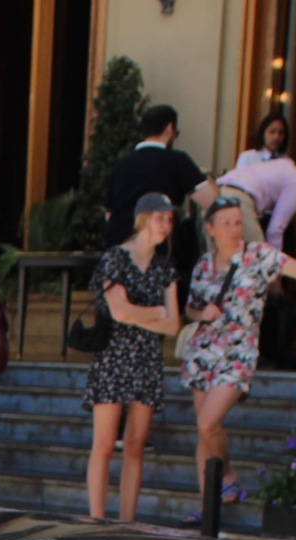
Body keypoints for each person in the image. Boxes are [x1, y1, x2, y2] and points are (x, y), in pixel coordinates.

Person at [181, 196, 296, 505]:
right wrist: (201, 315)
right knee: (205, 429)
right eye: (226, 223)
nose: (234, 228)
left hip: (239, 352)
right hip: (203, 351)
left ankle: (226, 476)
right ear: (211, 228)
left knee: (207, 423)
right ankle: (209, 502)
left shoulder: (258, 255)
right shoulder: (204, 263)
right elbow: (191, 306)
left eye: (238, 222)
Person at [83, 193, 182, 522]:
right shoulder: (115, 258)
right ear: (143, 219)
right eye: (159, 218)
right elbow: (120, 312)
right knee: (105, 443)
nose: (165, 225)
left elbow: (174, 324)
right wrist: (156, 311)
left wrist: (145, 315)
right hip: (114, 357)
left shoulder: (164, 267)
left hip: (147, 360)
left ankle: (127, 521)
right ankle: (97, 520)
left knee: (136, 445)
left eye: (169, 219)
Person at [104, 104, 205, 260]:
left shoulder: (121, 164)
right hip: (157, 251)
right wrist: (207, 176)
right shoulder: (177, 160)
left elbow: (109, 214)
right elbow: (210, 201)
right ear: (170, 129)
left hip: (117, 246)